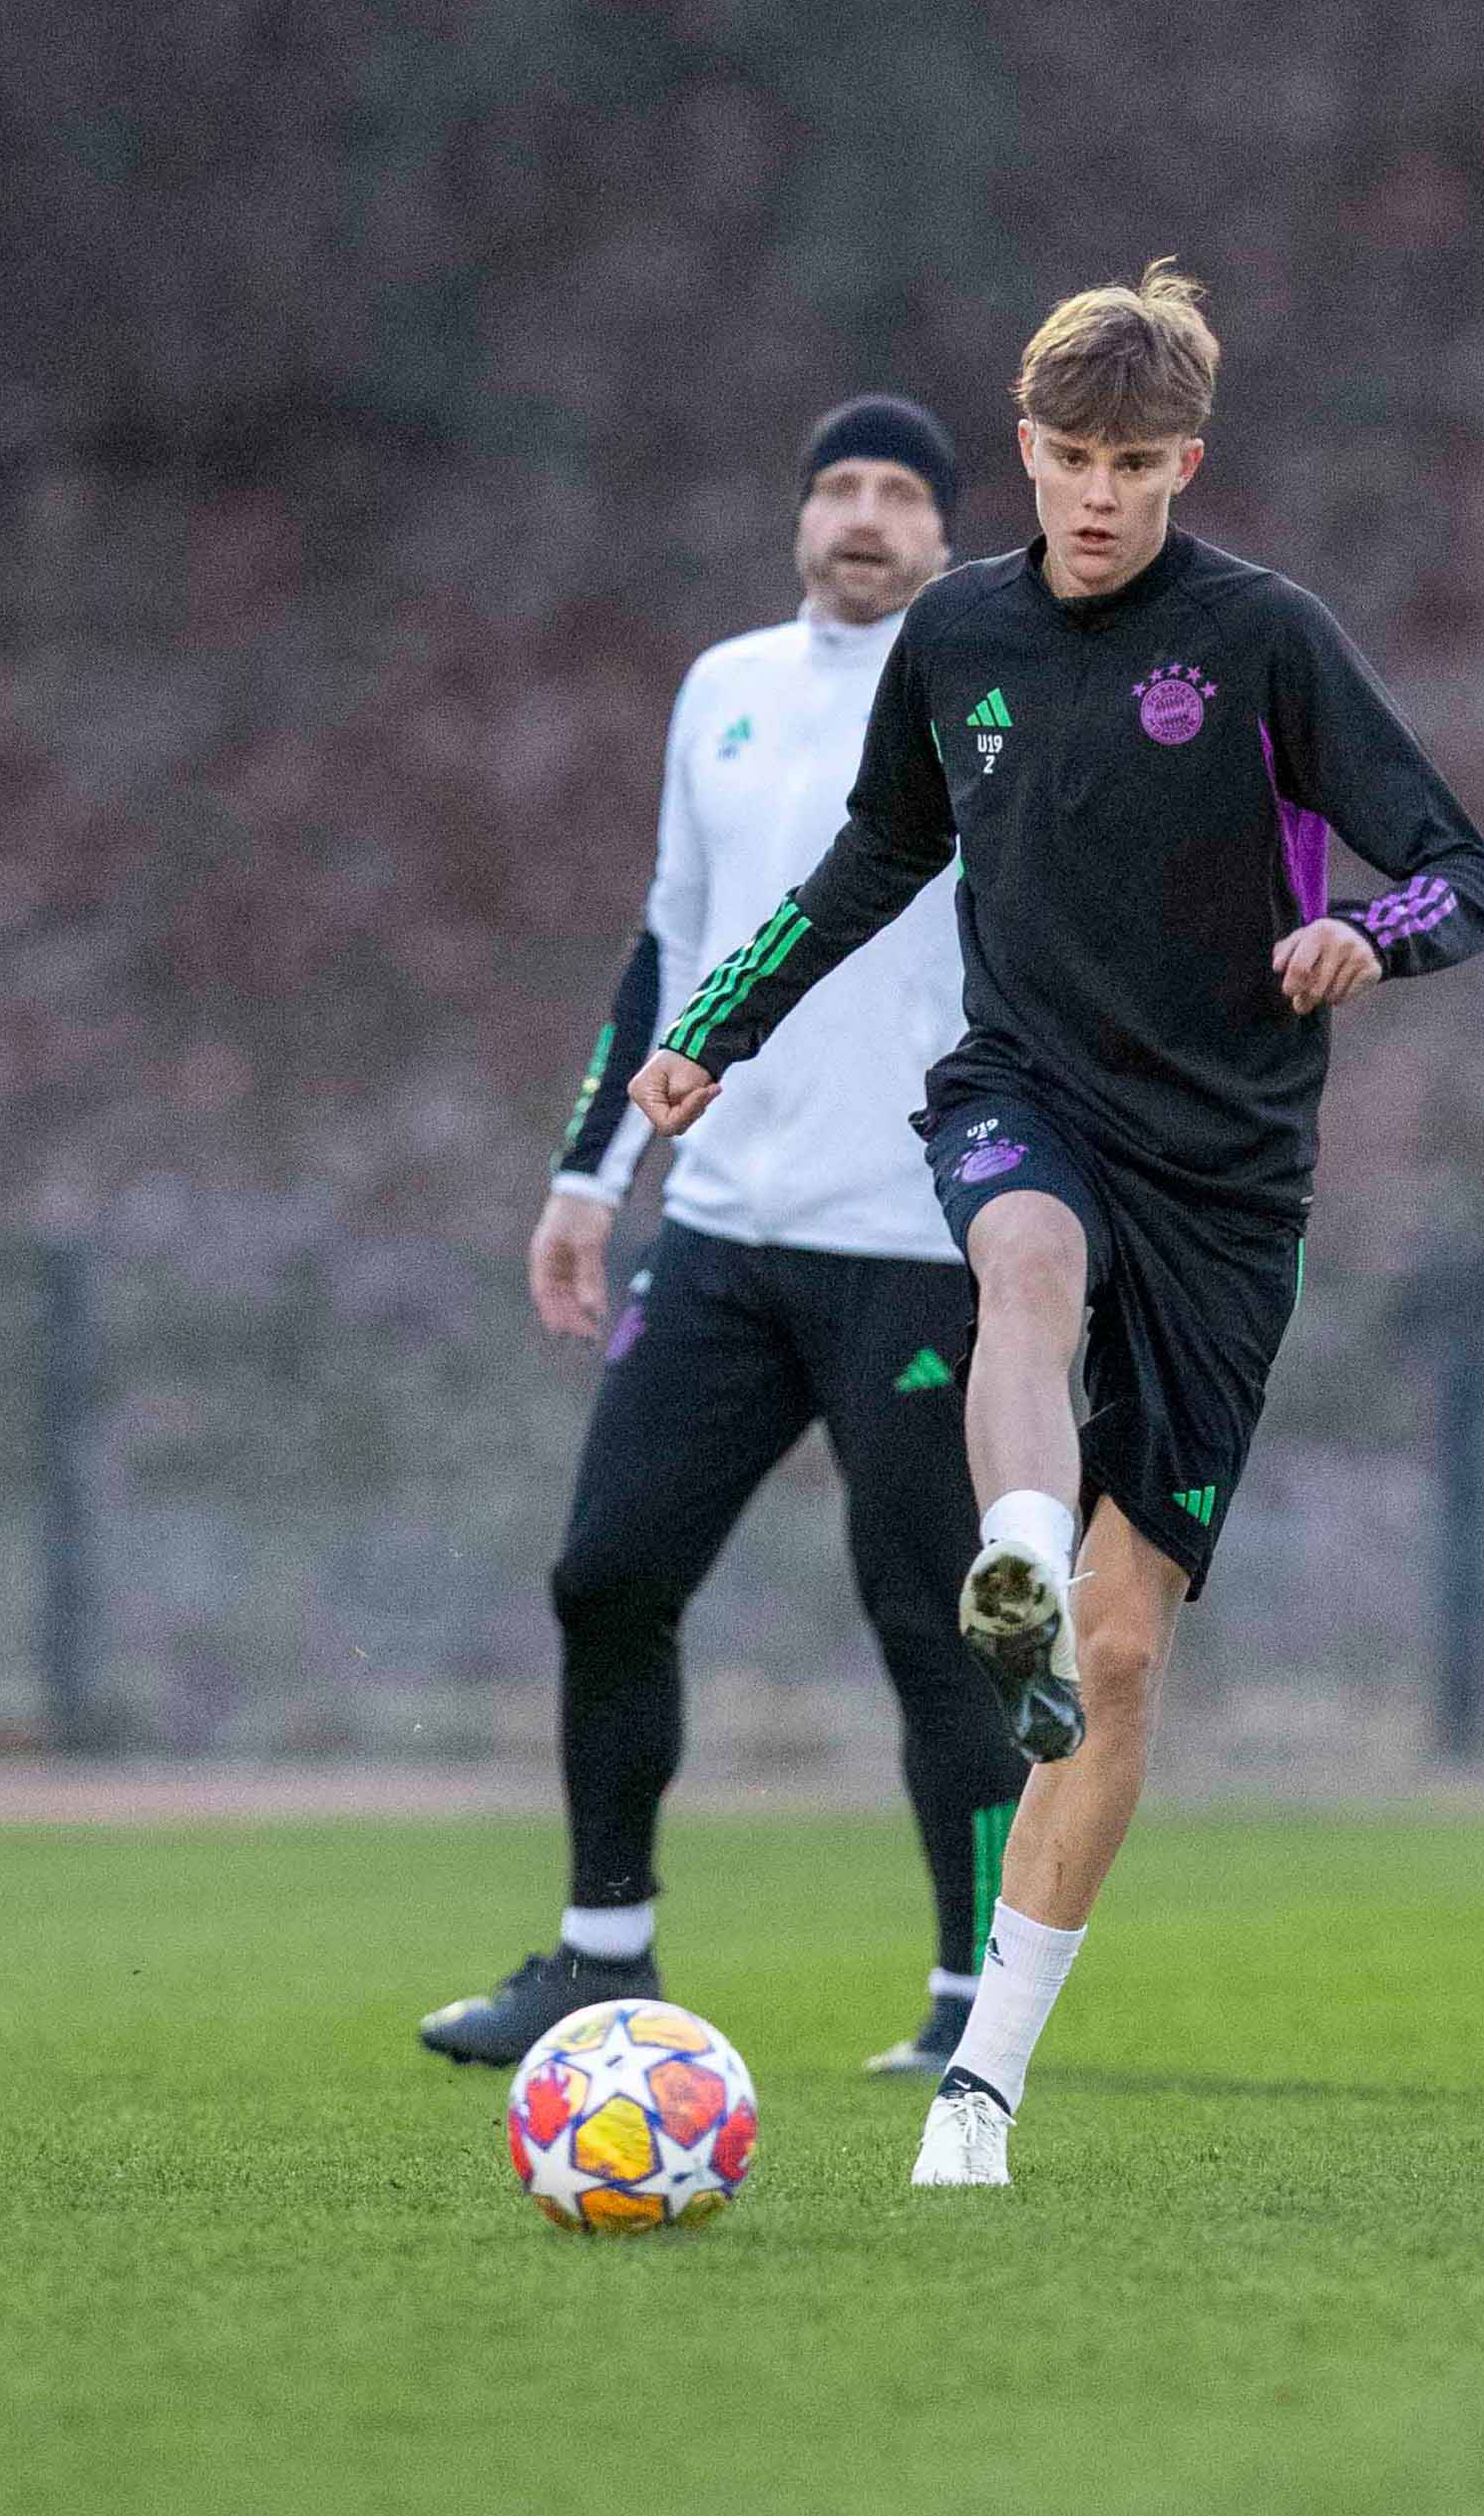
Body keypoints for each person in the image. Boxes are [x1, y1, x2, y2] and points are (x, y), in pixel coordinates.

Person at [626, 263, 1484, 2190]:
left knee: (1120, 1659)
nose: (1098, 494)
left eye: (1136, 463)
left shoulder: (1266, 640)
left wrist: (1369, 931)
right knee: (1021, 1258)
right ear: (1018, 450)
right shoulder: (957, 634)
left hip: (1230, 1175)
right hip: (1026, 1087)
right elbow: (877, 851)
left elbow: (1465, 869)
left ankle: (983, 2082)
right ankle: (1008, 1549)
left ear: (1186, 461)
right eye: (1069, 457)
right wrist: (713, 1027)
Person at [419, 395, 1032, 2080]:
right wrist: (583, 1173)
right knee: (606, 1571)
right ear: (796, 517)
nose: (861, 514)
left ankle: (984, 1997)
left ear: (947, 530)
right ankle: (598, 1955)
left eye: (898, 492)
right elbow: (672, 944)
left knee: (934, 1620)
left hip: (915, 1235)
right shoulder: (724, 691)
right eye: (834, 484)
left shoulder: (993, 695)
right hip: (723, 1234)